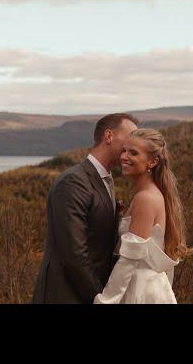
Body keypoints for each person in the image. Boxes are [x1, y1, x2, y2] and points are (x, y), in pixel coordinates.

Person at [31, 113, 139, 304]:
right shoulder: (73, 182)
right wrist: (100, 299)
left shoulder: (106, 180)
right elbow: (75, 255)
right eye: (130, 137)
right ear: (109, 136)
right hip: (65, 296)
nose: (134, 145)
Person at [94, 128, 192, 304]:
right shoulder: (147, 194)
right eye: (124, 150)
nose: (124, 156)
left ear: (153, 161)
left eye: (133, 153)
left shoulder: (146, 198)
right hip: (145, 285)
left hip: (139, 290)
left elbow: (129, 259)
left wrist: (105, 300)